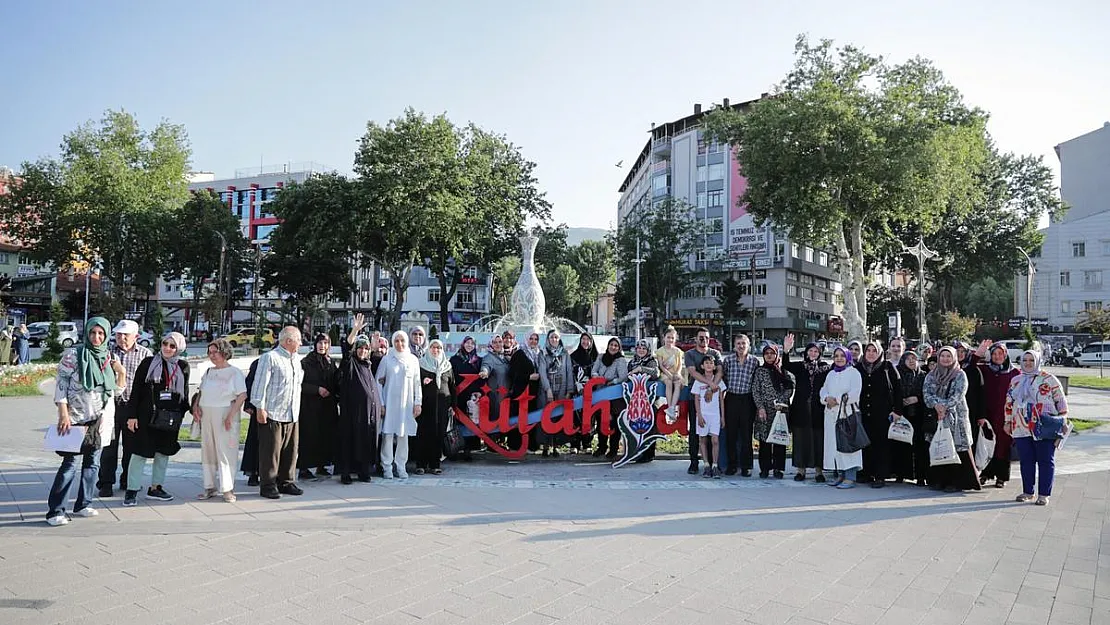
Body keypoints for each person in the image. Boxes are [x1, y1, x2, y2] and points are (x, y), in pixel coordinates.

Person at [46, 317, 125, 526]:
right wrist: (63, 414)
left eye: (101, 334)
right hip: (76, 419)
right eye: (93, 333)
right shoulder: (73, 355)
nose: (96, 337)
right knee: (70, 464)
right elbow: (60, 385)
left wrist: (122, 373)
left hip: (100, 420)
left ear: (106, 335)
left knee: (92, 463)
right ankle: (56, 511)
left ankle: (83, 504)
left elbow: (116, 391)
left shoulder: (109, 357)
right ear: (87, 334)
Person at [124, 332, 190, 506]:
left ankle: (156, 487)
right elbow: (136, 390)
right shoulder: (148, 363)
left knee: (163, 453)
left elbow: (184, 395)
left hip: (169, 419)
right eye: (165, 344)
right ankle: (131, 490)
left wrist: (181, 416)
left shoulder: (183, 366)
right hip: (146, 416)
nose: (167, 348)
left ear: (179, 348)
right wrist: (132, 416)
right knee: (139, 453)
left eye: (172, 346)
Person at [1005, 350, 1069, 506]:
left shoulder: (1049, 379)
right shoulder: (1016, 380)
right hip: (1021, 426)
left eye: (1031, 360)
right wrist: (1008, 421)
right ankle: (1028, 492)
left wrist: (1063, 421)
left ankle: (1044, 494)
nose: (1028, 363)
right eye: (1025, 360)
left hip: (1044, 426)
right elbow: (1008, 402)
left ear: (1038, 361)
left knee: (1046, 460)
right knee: (1026, 461)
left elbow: (1060, 402)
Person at [97, 319, 153, 498]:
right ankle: (105, 482)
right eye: (118, 334)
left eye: (125, 335)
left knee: (131, 447)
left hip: (132, 407)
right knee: (109, 446)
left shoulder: (145, 354)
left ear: (136, 336)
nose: (121, 338)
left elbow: (148, 384)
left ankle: (128, 480)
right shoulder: (107, 353)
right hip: (111, 406)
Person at [250, 326, 305, 500]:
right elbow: (259, 385)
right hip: (273, 412)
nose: (301, 343)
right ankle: (268, 485)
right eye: (298, 339)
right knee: (271, 452)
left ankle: (286, 482)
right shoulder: (270, 358)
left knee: (290, 450)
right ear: (288, 341)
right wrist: (260, 408)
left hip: (291, 412)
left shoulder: (297, 359)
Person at [191, 339, 247, 502]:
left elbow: (242, 395)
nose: (212, 355)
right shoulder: (209, 371)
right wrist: (196, 407)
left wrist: (230, 416)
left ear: (224, 352)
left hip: (224, 413)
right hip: (206, 413)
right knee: (208, 451)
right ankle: (210, 486)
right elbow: (201, 391)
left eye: (215, 352)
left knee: (225, 451)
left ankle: (227, 488)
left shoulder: (234, 372)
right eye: (210, 352)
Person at [923, 347, 981, 492]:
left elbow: (959, 394)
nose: (945, 359)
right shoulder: (932, 375)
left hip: (956, 417)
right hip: (937, 417)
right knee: (939, 446)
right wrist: (936, 405)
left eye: (949, 356)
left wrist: (944, 406)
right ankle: (939, 480)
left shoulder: (960, 374)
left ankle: (957, 483)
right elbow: (926, 393)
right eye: (943, 356)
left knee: (957, 448)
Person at [336, 316, 384, 484]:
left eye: (366, 348)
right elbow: (346, 350)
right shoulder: (351, 364)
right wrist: (355, 331)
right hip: (353, 413)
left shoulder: (368, 364)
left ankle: (364, 471)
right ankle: (346, 473)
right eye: (360, 348)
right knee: (350, 441)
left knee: (366, 441)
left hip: (368, 413)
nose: (363, 351)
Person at [782, 334, 830, 482]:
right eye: (811, 351)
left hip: (818, 409)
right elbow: (786, 365)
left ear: (820, 354)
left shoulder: (824, 368)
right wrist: (786, 350)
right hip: (801, 409)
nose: (813, 354)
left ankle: (818, 471)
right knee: (800, 439)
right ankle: (800, 470)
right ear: (806, 352)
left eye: (816, 351)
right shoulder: (800, 366)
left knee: (818, 440)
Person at [973, 340, 1020, 489]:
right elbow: (969, 367)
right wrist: (979, 352)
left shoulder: (1014, 373)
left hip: (1006, 416)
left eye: (1001, 353)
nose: (997, 356)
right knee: (988, 443)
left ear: (1006, 355)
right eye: (994, 354)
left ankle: (1001, 476)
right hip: (988, 415)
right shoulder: (985, 370)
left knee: (1003, 445)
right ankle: (986, 473)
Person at [856, 341, 902, 488]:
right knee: (865, 444)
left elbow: (898, 390)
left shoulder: (887, 367)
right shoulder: (858, 368)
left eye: (874, 351)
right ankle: (866, 473)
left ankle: (880, 475)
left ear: (880, 352)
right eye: (868, 350)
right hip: (863, 413)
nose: (871, 353)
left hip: (882, 414)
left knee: (881, 446)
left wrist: (897, 411)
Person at [378, 330, 422, 479]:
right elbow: (378, 383)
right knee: (388, 434)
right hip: (389, 403)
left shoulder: (412, 360)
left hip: (406, 404)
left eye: (402, 340)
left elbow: (417, 383)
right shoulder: (387, 359)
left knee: (403, 436)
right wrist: (381, 404)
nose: (399, 344)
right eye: (396, 341)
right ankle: (387, 466)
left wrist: (418, 403)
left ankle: (401, 465)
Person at [820, 346, 863, 489]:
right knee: (835, 446)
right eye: (836, 355)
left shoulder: (854, 373)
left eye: (842, 356)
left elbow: (855, 393)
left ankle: (850, 477)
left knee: (848, 445)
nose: (839, 358)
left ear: (848, 357)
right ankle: (840, 475)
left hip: (847, 414)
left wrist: (837, 400)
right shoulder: (831, 374)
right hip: (831, 414)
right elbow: (823, 389)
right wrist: (826, 398)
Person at [297, 333, 338, 481]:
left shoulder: (330, 362)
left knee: (324, 436)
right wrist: (317, 390)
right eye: (320, 343)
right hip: (310, 406)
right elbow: (300, 383)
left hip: (327, 406)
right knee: (309, 436)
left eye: (326, 343)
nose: (322, 346)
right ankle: (304, 468)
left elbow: (335, 381)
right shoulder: (306, 362)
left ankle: (322, 465)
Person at [752, 344, 795, 479]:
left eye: (772, 353)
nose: (769, 355)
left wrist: (781, 402)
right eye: (767, 353)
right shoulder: (760, 371)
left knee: (779, 439)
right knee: (764, 441)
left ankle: (778, 468)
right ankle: (765, 468)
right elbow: (755, 390)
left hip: (780, 410)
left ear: (777, 355)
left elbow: (790, 387)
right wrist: (760, 407)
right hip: (764, 411)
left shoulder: (783, 370)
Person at [685, 328, 723, 475]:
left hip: (713, 400)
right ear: (696, 339)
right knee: (696, 431)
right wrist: (710, 385)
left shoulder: (715, 354)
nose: (703, 340)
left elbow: (719, 371)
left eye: (706, 338)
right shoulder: (690, 354)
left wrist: (712, 387)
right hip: (696, 397)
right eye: (701, 337)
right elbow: (693, 373)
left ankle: (712, 464)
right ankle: (694, 462)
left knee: (713, 435)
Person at [416, 339, 454, 475]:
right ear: (429, 349)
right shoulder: (422, 365)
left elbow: (452, 387)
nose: (435, 350)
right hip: (425, 407)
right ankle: (421, 464)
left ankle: (435, 465)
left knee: (438, 435)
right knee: (423, 435)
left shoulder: (447, 366)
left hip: (442, 408)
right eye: (433, 347)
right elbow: (416, 385)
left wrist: (453, 406)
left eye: (438, 348)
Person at [538, 330, 575, 457]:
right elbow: (542, 373)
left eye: (556, 337)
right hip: (546, 391)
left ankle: (556, 446)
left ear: (559, 339)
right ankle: (545, 446)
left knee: (558, 418)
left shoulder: (564, 354)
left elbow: (569, 372)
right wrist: (547, 389)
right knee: (546, 417)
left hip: (561, 389)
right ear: (548, 339)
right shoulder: (543, 353)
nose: (554, 339)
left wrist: (569, 391)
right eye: (552, 337)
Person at [591, 337, 629, 459]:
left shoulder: (620, 360)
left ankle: (613, 449)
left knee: (614, 423)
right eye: (611, 345)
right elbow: (594, 371)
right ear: (608, 346)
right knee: (601, 420)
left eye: (616, 346)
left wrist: (612, 381)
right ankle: (602, 447)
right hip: (600, 394)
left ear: (619, 348)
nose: (613, 347)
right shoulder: (601, 357)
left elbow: (623, 377)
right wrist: (598, 378)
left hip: (614, 396)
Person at [691, 355, 727, 479]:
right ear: (702, 366)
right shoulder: (698, 381)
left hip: (715, 415)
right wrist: (699, 415)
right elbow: (696, 399)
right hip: (703, 415)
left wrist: (723, 416)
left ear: (714, 366)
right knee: (702, 440)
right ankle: (706, 465)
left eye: (711, 363)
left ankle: (715, 465)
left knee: (715, 440)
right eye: (706, 363)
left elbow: (721, 400)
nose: (709, 365)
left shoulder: (718, 381)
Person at [896, 351, 929, 486]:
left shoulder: (923, 376)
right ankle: (901, 474)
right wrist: (900, 401)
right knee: (901, 445)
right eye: (908, 359)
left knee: (920, 446)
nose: (911, 361)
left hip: (918, 414)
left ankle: (921, 476)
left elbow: (928, 394)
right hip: (901, 414)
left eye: (914, 359)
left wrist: (916, 398)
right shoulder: (897, 374)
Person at [449, 336, 482, 461]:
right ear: (463, 344)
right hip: (458, 396)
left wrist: (478, 391)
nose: (469, 345)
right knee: (457, 422)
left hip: (472, 397)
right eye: (467, 343)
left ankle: (468, 450)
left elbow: (481, 379)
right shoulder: (455, 359)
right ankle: (455, 449)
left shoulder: (477, 360)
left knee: (471, 422)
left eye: (472, 343)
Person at [627, 339, 661, 462]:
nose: (641, 350)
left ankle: (649, 453)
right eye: (639, 348)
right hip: (636, 401)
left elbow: (655, 373)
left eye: (644, 348)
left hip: (650, 400)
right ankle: (638, 452)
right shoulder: (631, 362)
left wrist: (640, 368)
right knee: (637, 427)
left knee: (650, 427)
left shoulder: (652, 361)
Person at [508, 331, 542, 453]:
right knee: (519, 418)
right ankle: (515, 445)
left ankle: (530, 445)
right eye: (531, 339)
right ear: (526, 339)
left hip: (533, 393)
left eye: (536, 339)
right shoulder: (519, 354)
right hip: (520, 393)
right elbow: (512, 374)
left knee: (531, 418)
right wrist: (528, 377)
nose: (533, 341)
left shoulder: (539, 354)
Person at [570, 332, 598, 452]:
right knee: (575, 417)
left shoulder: (596, 357)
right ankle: (574, 444)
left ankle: (587, 444)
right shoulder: (573, 356)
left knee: (589, 417)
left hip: (591, 392)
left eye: (588, 340)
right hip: (577, 391)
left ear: (591, 342)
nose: (585, 342)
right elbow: (570, 373)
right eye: (583, 339)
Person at [955, 340, 986, 446]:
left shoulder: (974, 370)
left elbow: (981, 394)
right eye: (957, 351)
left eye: (963, 351)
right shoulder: (948, 369)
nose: (960, 354)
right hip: (952, 412)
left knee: (970, 441)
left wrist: (981, 415)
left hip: (971, 412)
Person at [654, 328, 685, 421]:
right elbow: (661, 366)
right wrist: (669, 375)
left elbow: (679, 365)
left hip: (675, 373)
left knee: (678, 383)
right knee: (668, 382)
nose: (670, 340)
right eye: (668, 337)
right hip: (665, 374)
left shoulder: (678, 351)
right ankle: (669, 405)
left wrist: (677, 374)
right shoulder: (660, 351)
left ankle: (672, 407)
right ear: (664, 338)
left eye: (672, 338)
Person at [239, 358, 262, 486]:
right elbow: (250, 382)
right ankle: (253, 472)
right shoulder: (260, 362)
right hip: (258, 408)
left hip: (278, 410)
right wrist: (248, 404)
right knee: (255, 440)